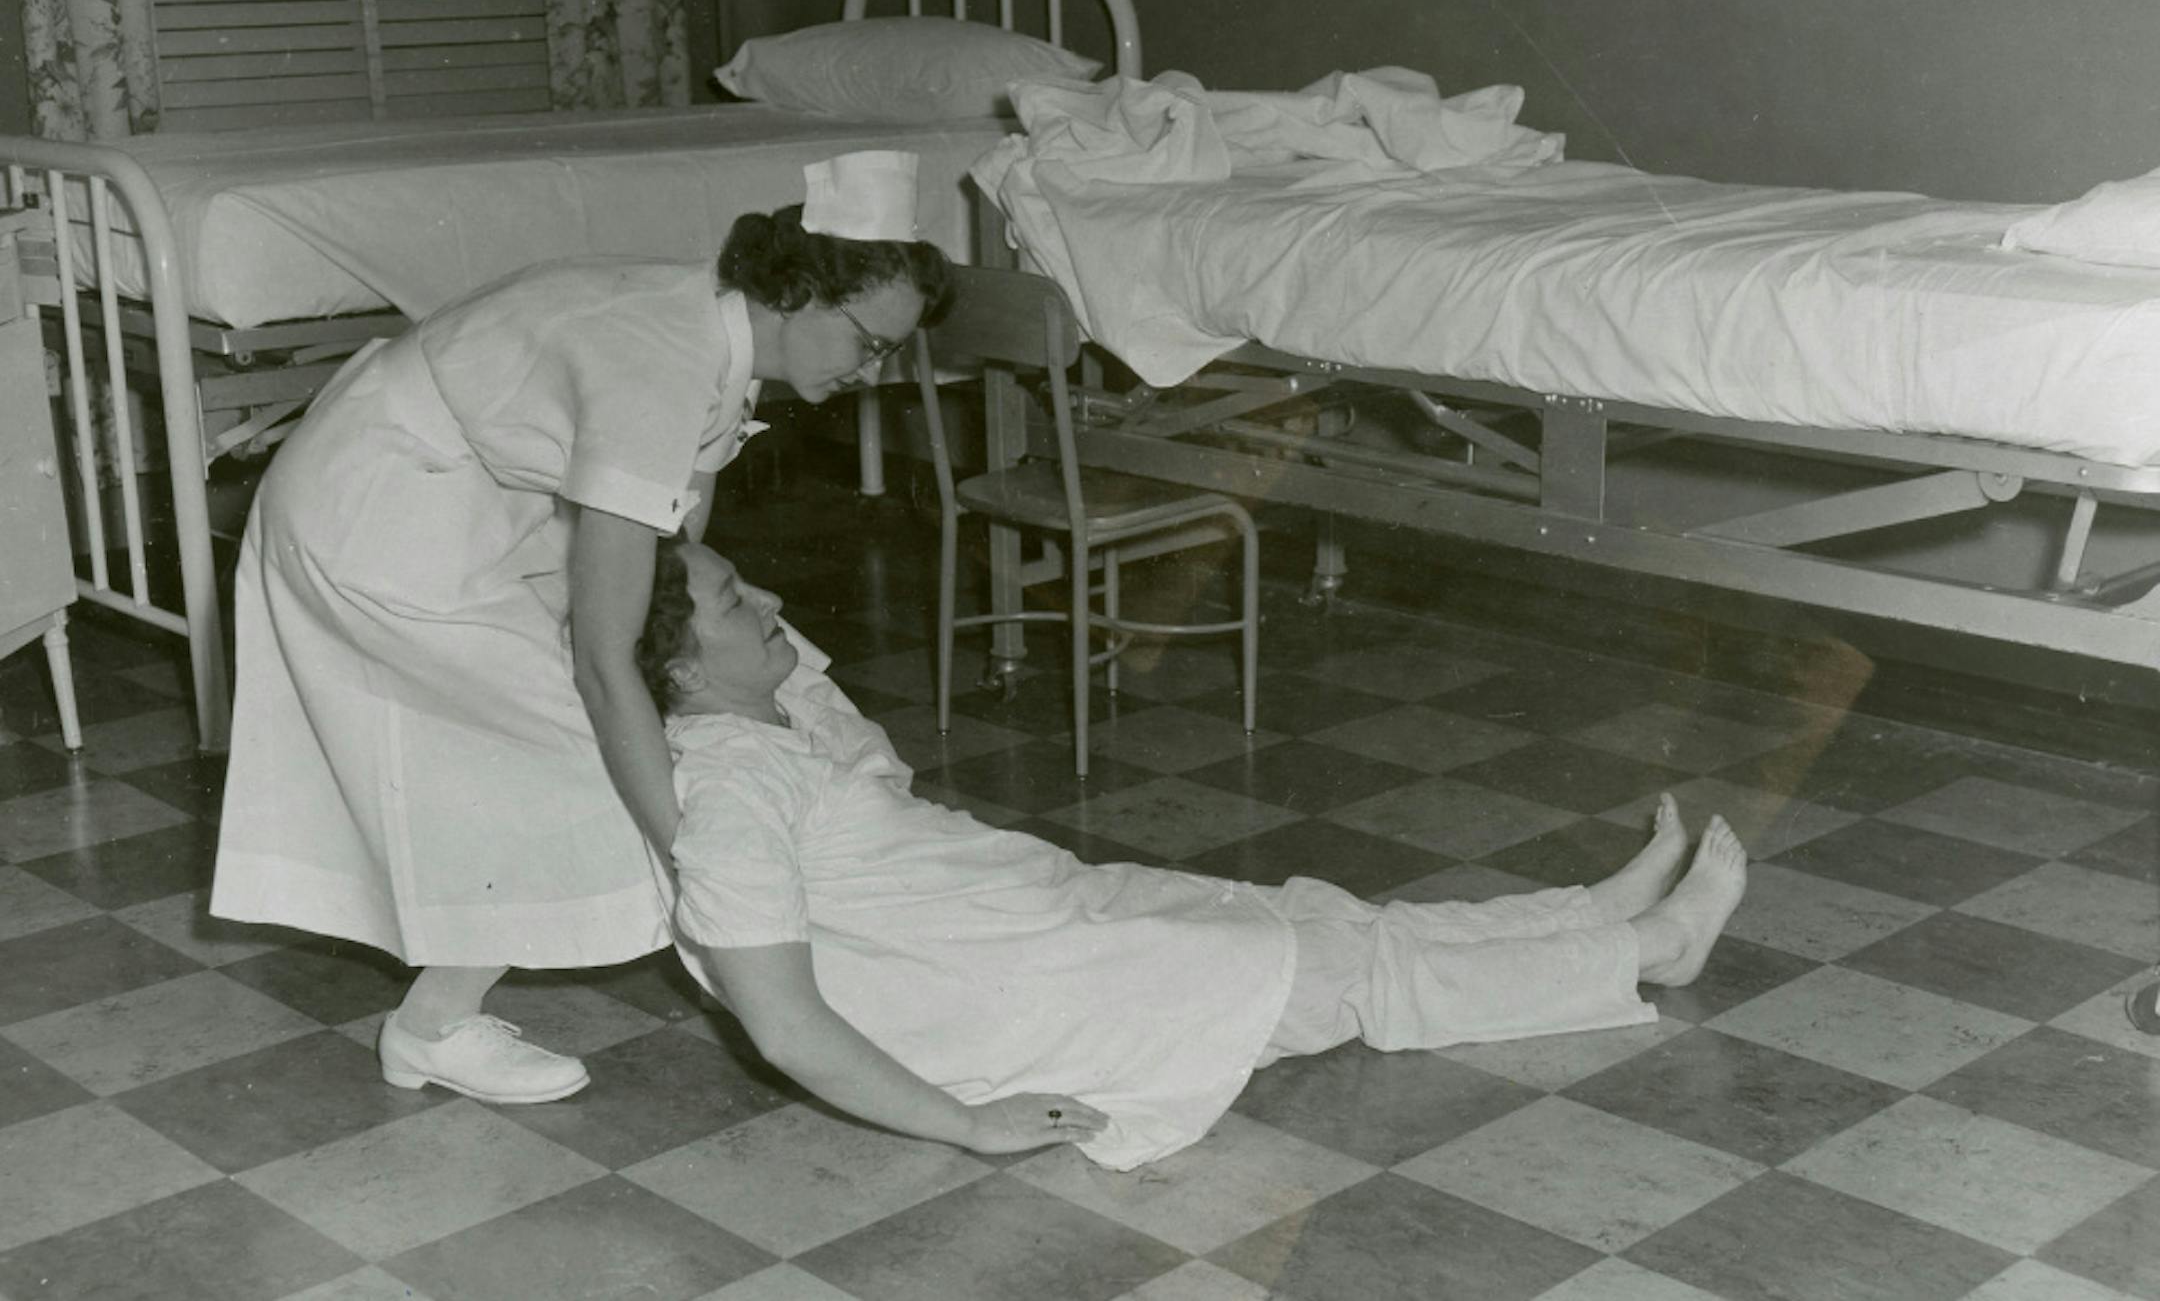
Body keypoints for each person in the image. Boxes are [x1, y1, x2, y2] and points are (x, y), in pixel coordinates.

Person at [210, 151, 950, 1105]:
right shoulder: (661, 363)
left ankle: (812, 965)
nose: (874, 371)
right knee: (588, 754)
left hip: (478, 497)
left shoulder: (722, 338)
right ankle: (434, 1028)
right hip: (376, 514)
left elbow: (674, 548)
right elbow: (608, 665)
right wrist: (704, 856)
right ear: (798, 293)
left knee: (695, 714)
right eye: (869, 343)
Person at [640, 540, 1751, 1167]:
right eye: (737, 601)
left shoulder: (779, 707)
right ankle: (1651, 951)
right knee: (1349, 974)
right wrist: (970, 1123)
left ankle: (1587, 912)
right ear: (680, 667)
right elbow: (780, 1019)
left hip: (1049, 919)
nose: (776, 599)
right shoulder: (728, 791)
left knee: (1325, 920)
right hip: (1037, 993)